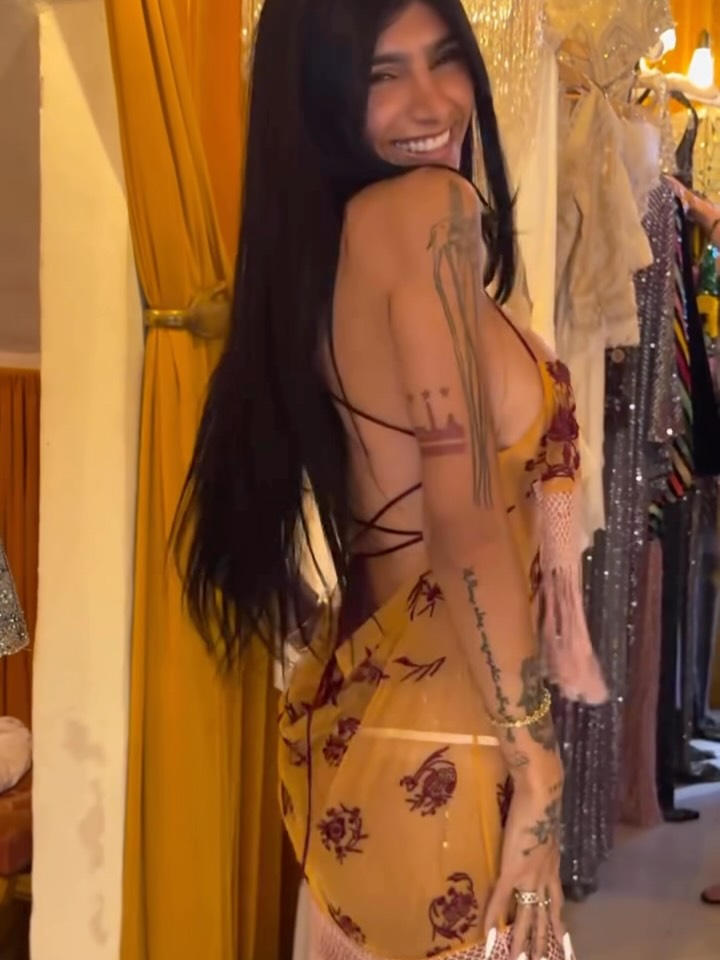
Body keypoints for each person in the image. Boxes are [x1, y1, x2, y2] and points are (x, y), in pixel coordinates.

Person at [177, 1, 607, 957]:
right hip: (451, 748)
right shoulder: (423, 214)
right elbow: (464, 521)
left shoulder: (333, 247)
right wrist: (538, 764)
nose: (435, 101)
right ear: (323, 96)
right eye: (383, 74)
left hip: (380, 734)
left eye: (444, 58)